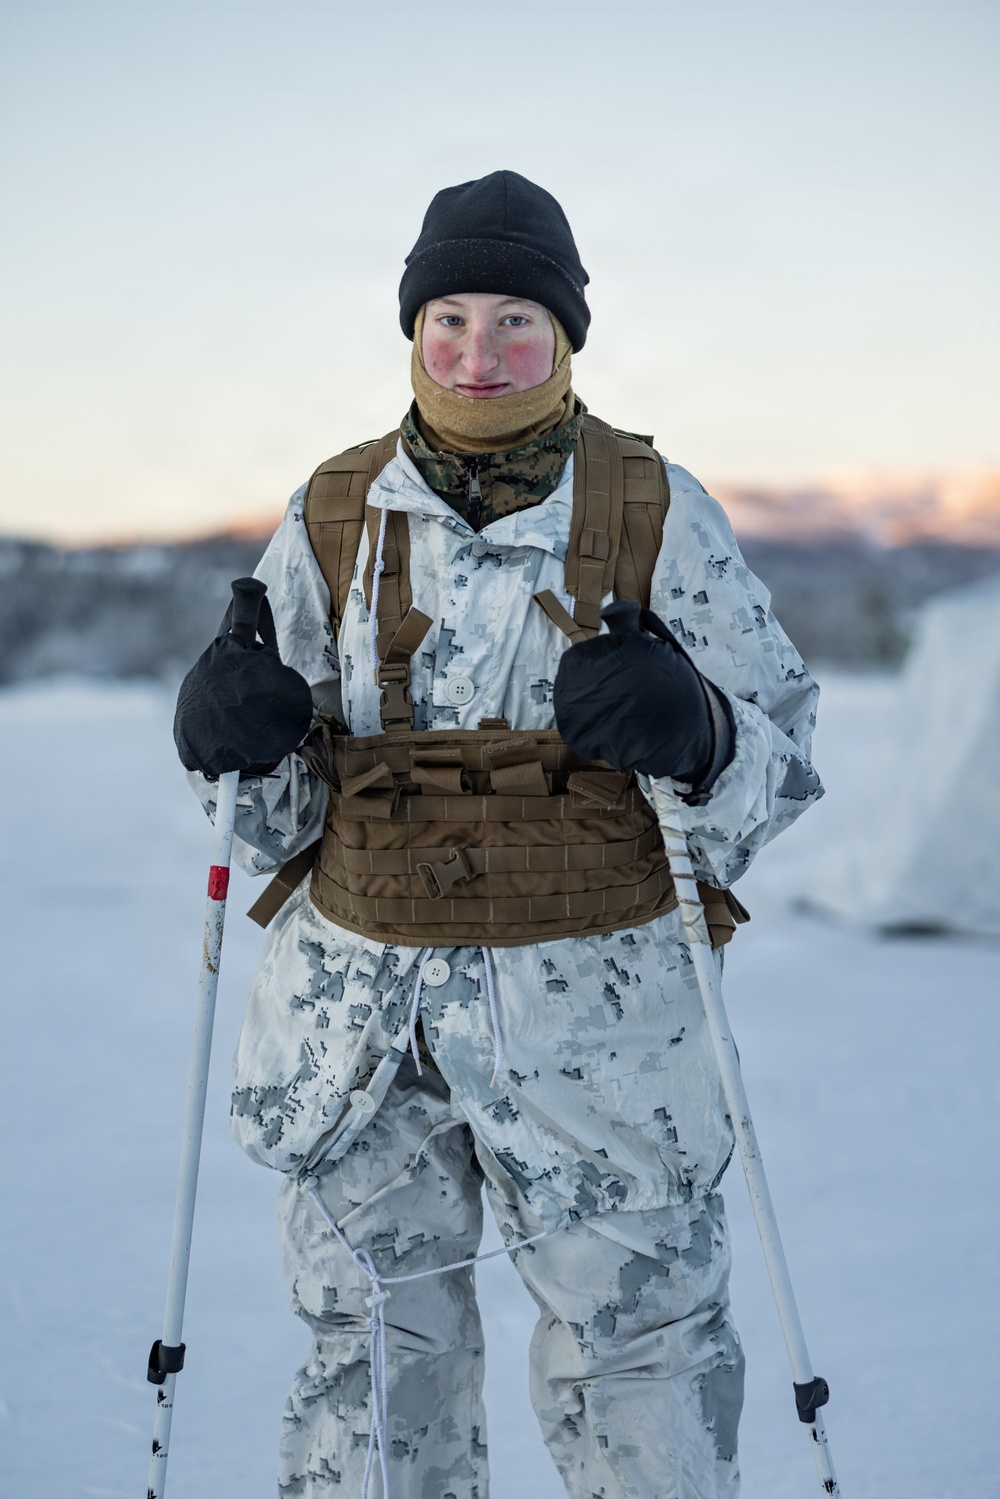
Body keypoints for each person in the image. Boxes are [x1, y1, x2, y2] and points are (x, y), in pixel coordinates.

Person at [175, 170, 822, 1499]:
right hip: (358, 1034)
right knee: (367, 1355)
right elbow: (277, 809)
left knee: (638, 1352)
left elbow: (784, 763)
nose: (478, 354)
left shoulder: (655, 508)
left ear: (568, 334)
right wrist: (236, 735)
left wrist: (697, 728)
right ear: (412, 334)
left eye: (516, 318)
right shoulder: (336, 515)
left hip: (602, 1042)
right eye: (449, 320)